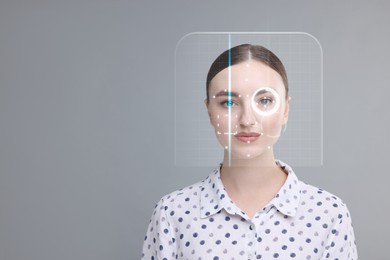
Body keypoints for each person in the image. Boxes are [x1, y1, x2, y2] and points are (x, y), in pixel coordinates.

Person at [142, 44, 357, 259]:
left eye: (265, 101)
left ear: (286, 110)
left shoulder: (329, 214)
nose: (247, 120)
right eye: (228, 103)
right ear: (209, 111)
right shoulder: (172, 212)